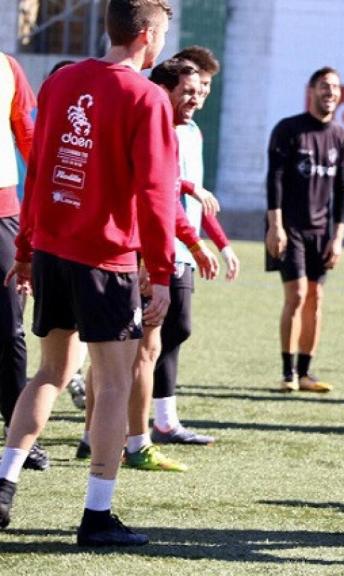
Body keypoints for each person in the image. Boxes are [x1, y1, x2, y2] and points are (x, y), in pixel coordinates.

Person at [0, 0, 178, 546]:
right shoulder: (146, 96)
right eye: (163, 35)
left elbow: (43, 164)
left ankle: (2, 487)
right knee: (114, 382)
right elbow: (155, 194)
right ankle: (96, 516)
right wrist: (163, 273)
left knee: (49, 373)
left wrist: (28, 247)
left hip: (52, 251)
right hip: (105, 261)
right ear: (148, 37)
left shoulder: (61, 82)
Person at [149, 46, 238, 445]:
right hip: (160, 244)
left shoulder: (194, 132)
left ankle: (154, 422)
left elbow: (197, 201)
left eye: (205, 88)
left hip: (185, 244)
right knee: (149, 337)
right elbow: (166, 189)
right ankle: (144, 426)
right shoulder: (159, 127)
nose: (201, 95)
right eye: (196, 86)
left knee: (171, 331)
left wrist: (219, 243)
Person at [265, 67, 344, 393]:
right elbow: (273, 180)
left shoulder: (340, 136)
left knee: (316, 298)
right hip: (290, 227)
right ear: (311, 90)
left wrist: (338, 237)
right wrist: (275, 226)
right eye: (325, 86)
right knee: (297, 295)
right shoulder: (288, 130)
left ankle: (305, 373)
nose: (331, 92)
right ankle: (287, 373)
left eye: (336, 87)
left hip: (322, 232)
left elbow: (342, 189)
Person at [0, 50, 49, 470]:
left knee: (10, 328)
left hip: (3, 213)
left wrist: (51, 190)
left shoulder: (7, 66)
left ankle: (18, 437)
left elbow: (29, 137)